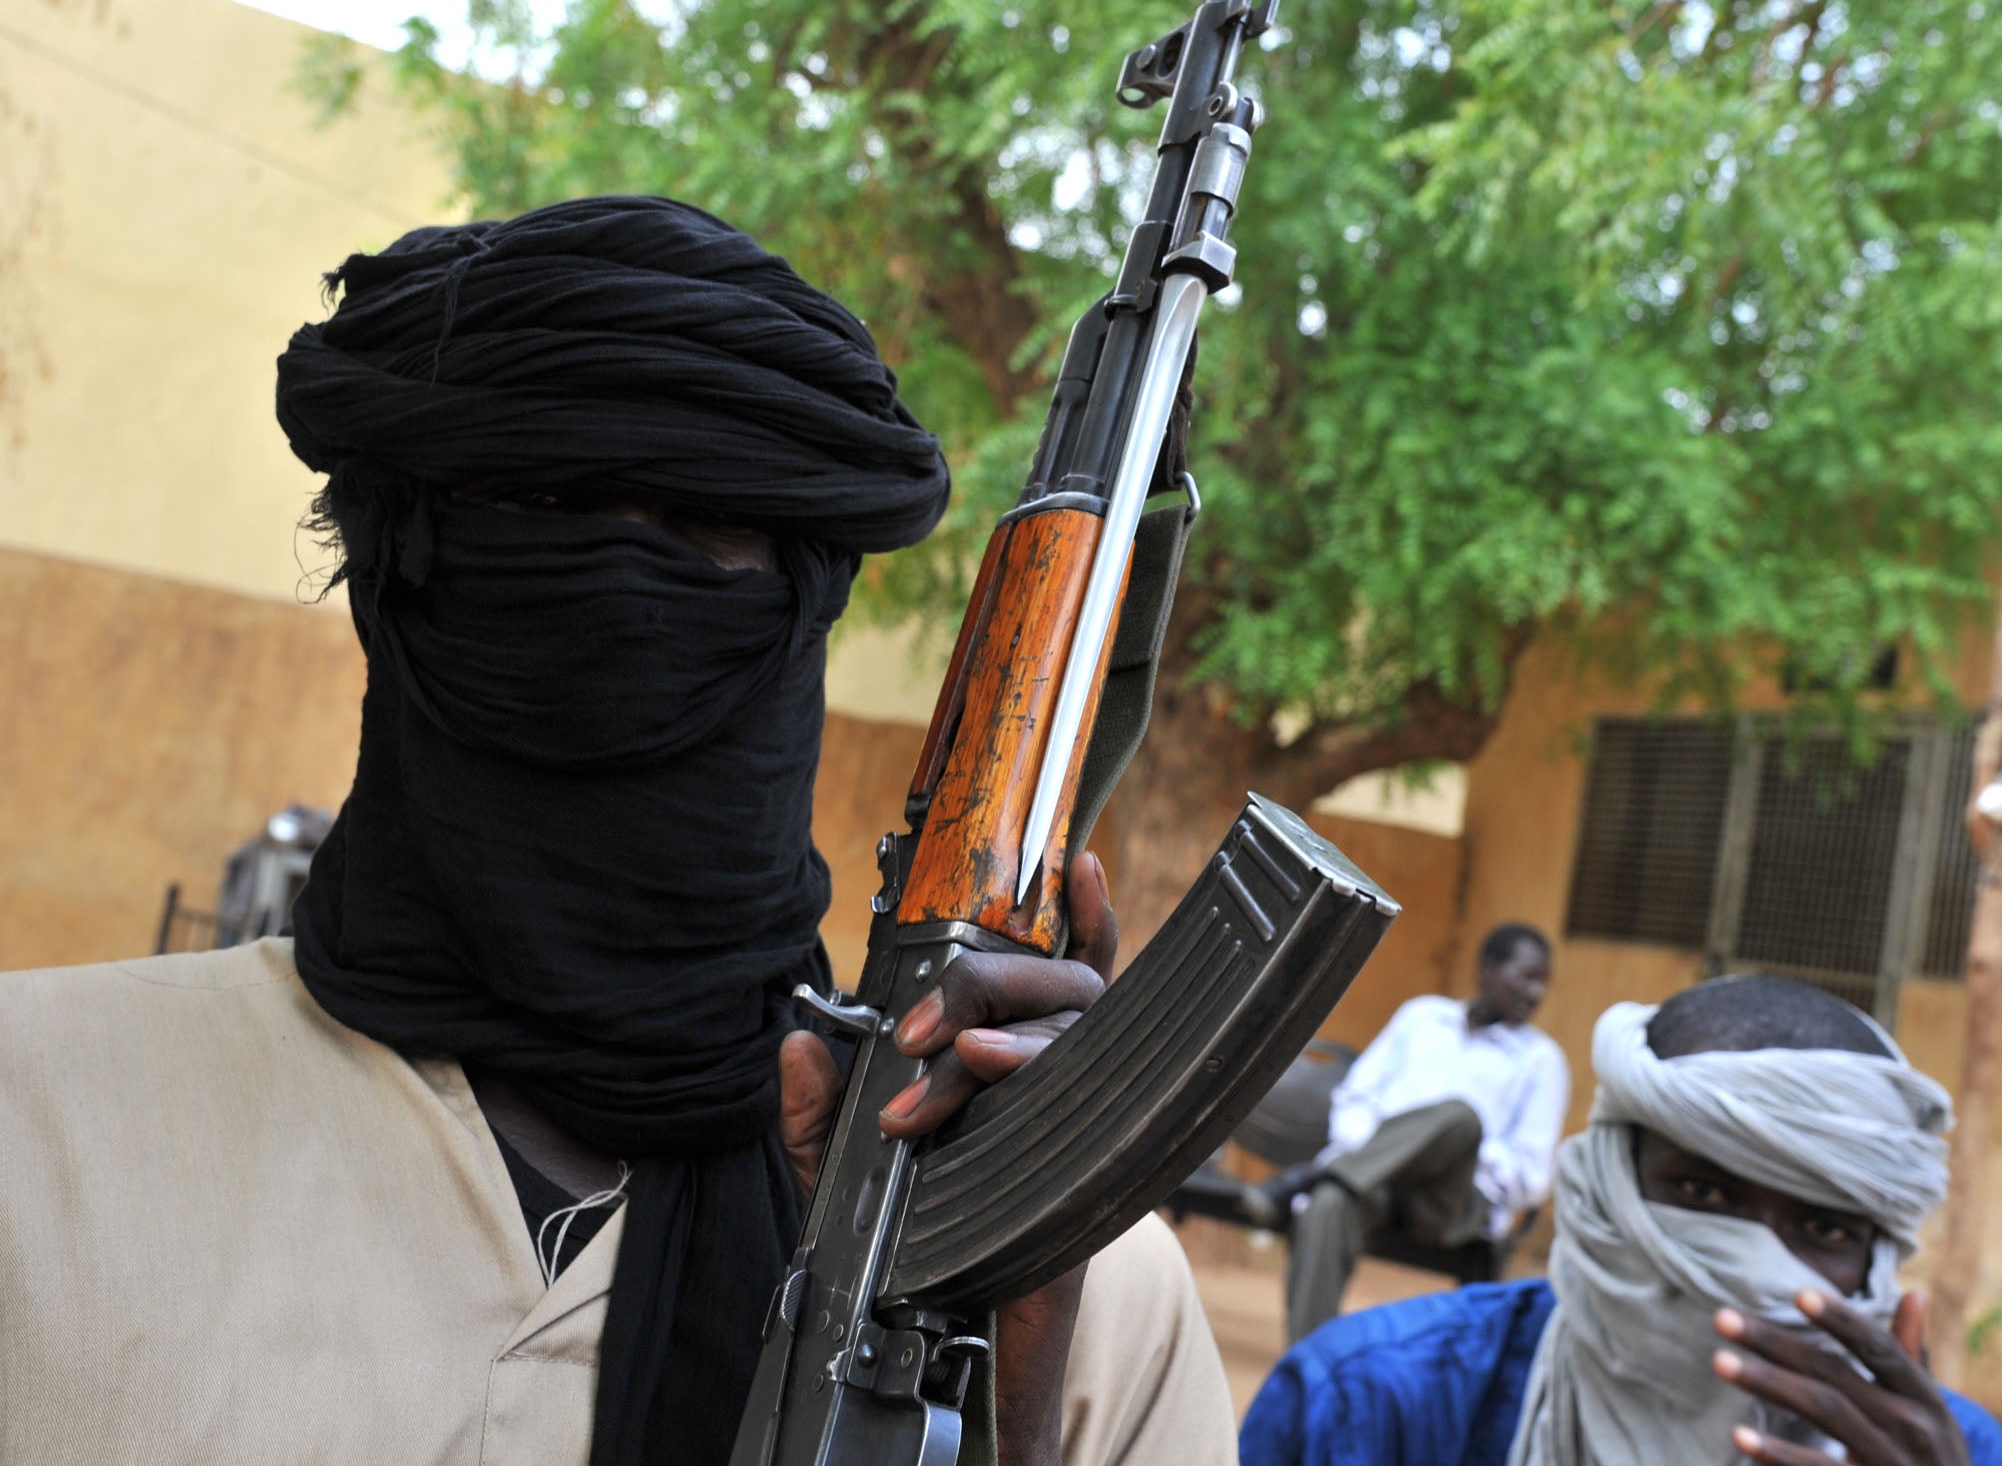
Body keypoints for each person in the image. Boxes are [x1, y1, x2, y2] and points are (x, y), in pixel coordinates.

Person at [0, 197, 1235, 1466]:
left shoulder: (1088, 1302)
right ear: (394, 577)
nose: (622, 599)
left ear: (805, 606)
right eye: (540, 512)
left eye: (709, 534)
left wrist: (981, 1396)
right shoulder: (36, 1131)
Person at [1239, 975, 2002, 1466]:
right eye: (1704, 1197)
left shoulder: (1966, 1458)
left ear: (1880, 1267)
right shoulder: (1366, 1409)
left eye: (1825, 1233)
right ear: (1602, 1191)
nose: (1752, 1270)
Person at [1248, 922, 1569, 1343]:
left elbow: (1530, 1178)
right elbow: (1355, 1097)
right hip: (1375, 1183)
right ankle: (1309, 1368)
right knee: (1328, 1205)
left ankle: (1314, 1175)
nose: (1536, 994)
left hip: (1452, 1201)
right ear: (1488, 968)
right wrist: (1385, 1150)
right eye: (1526, 977)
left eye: (1543, 983)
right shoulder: (1422, 1017)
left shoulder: (1541, 1061)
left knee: (1460, 1118)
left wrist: (1446, 1148)